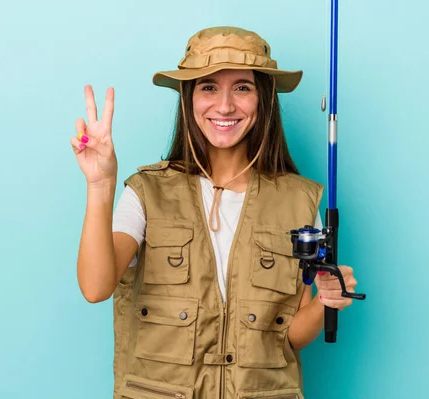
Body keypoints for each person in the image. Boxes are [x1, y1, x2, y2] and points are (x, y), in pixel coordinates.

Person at [71, 26, 360, 399]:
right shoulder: (146, 192)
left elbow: (290, 336)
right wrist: (100, 185)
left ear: (263, 99)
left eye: (242, 87)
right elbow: (96, 288)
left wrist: (325, 300)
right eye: (208, 87)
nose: (224, 106)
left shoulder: (299, 201)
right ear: (189, 98)